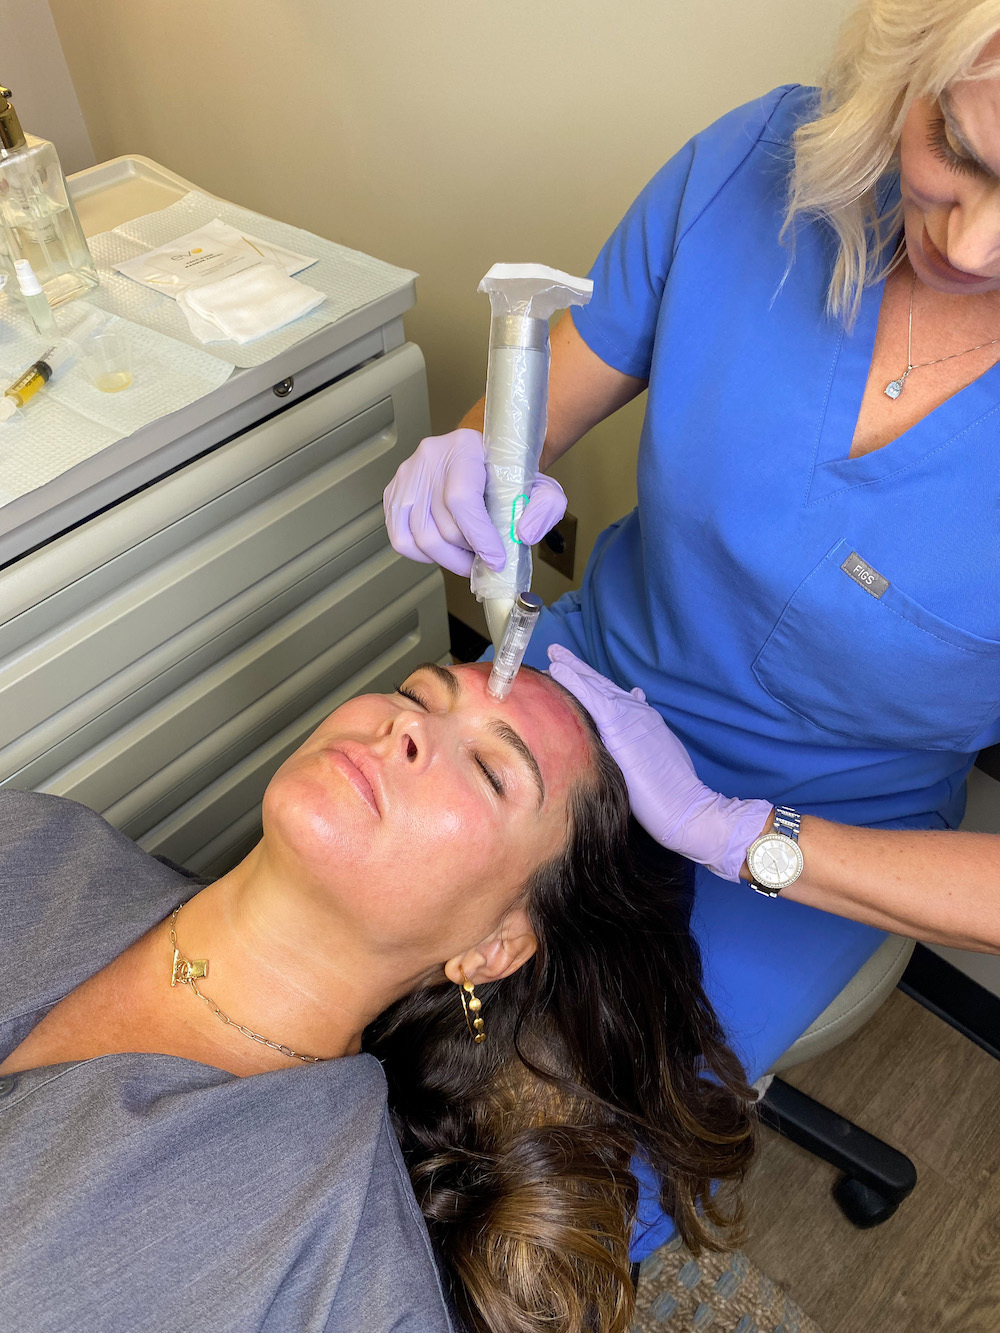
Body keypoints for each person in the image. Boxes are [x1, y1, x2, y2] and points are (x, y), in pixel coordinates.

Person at [383, 0, 1000, 1254]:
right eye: (964, 155)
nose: (976, 243)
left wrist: (737, 838)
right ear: (903, 72)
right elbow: (538, 398)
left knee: (540, 1197)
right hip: (579, 681)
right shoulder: (755, 171)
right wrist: (471, 458)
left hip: (819, 824)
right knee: (338, 984)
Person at [0, 661, 754, 1333]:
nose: (409, 728)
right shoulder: (36, 836)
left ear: (492, 947)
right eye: (417, 694)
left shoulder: (344, 1280)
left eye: (493, 771)